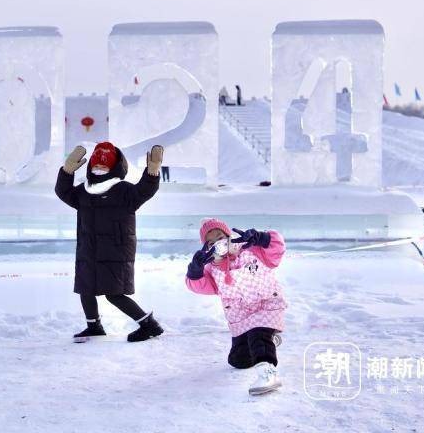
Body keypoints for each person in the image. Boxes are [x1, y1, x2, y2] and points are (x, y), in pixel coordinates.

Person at [55, 141, 165, 342]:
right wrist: (66, 171)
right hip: (89, 250)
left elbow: (144, 191)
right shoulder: (84, 191)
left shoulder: (124, 191)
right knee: (85, 289)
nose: (99, 170)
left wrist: (152, 173)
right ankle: (93, 326)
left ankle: (149, 325)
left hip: (115, 251)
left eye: (104, 166)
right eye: (96, 166)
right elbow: (64, 192)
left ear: (114, 168)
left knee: (114, 294)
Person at [185, 218, 287, 395]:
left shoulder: (252, 248)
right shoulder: (212, 268)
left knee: (258, 335)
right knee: (238, 360)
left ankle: (268, 374)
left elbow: (277, 249)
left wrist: (262, 238)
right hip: (240, 313)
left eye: (220, 236)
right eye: (211, 241)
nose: (218, 242)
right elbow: (201, 286)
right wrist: (195, 271)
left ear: (228, 235)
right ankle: (268, 340)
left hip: (265, 303)